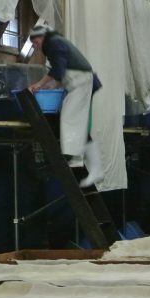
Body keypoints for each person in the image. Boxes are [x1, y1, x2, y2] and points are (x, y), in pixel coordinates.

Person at [27, 24, 103, 187]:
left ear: (41, 38)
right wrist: (50, 86)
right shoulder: (56, 42)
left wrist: (38, 85)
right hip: (79, 82)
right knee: (73, 120)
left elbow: (58, 71)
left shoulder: (53, 43)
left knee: (69, 118)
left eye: (35, 42)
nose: (35, 46)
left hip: (81, 82)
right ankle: (79, 160)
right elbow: (62, 74)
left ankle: (86, 164)